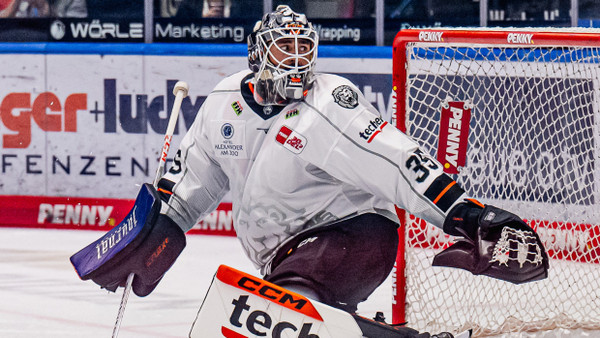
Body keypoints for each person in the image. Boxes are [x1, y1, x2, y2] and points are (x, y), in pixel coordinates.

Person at [71, 5, 548, 337]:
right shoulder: (223, 103)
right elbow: (199, 173)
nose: (297, 62)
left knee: (270, 312)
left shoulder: (330, 103)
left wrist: (463, 213)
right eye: (285, 51)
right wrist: (162, 224)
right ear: (259, 55)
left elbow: (398, 159)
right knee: (281, 315)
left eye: (304, 49)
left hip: (354, 237)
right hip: (284, 255)